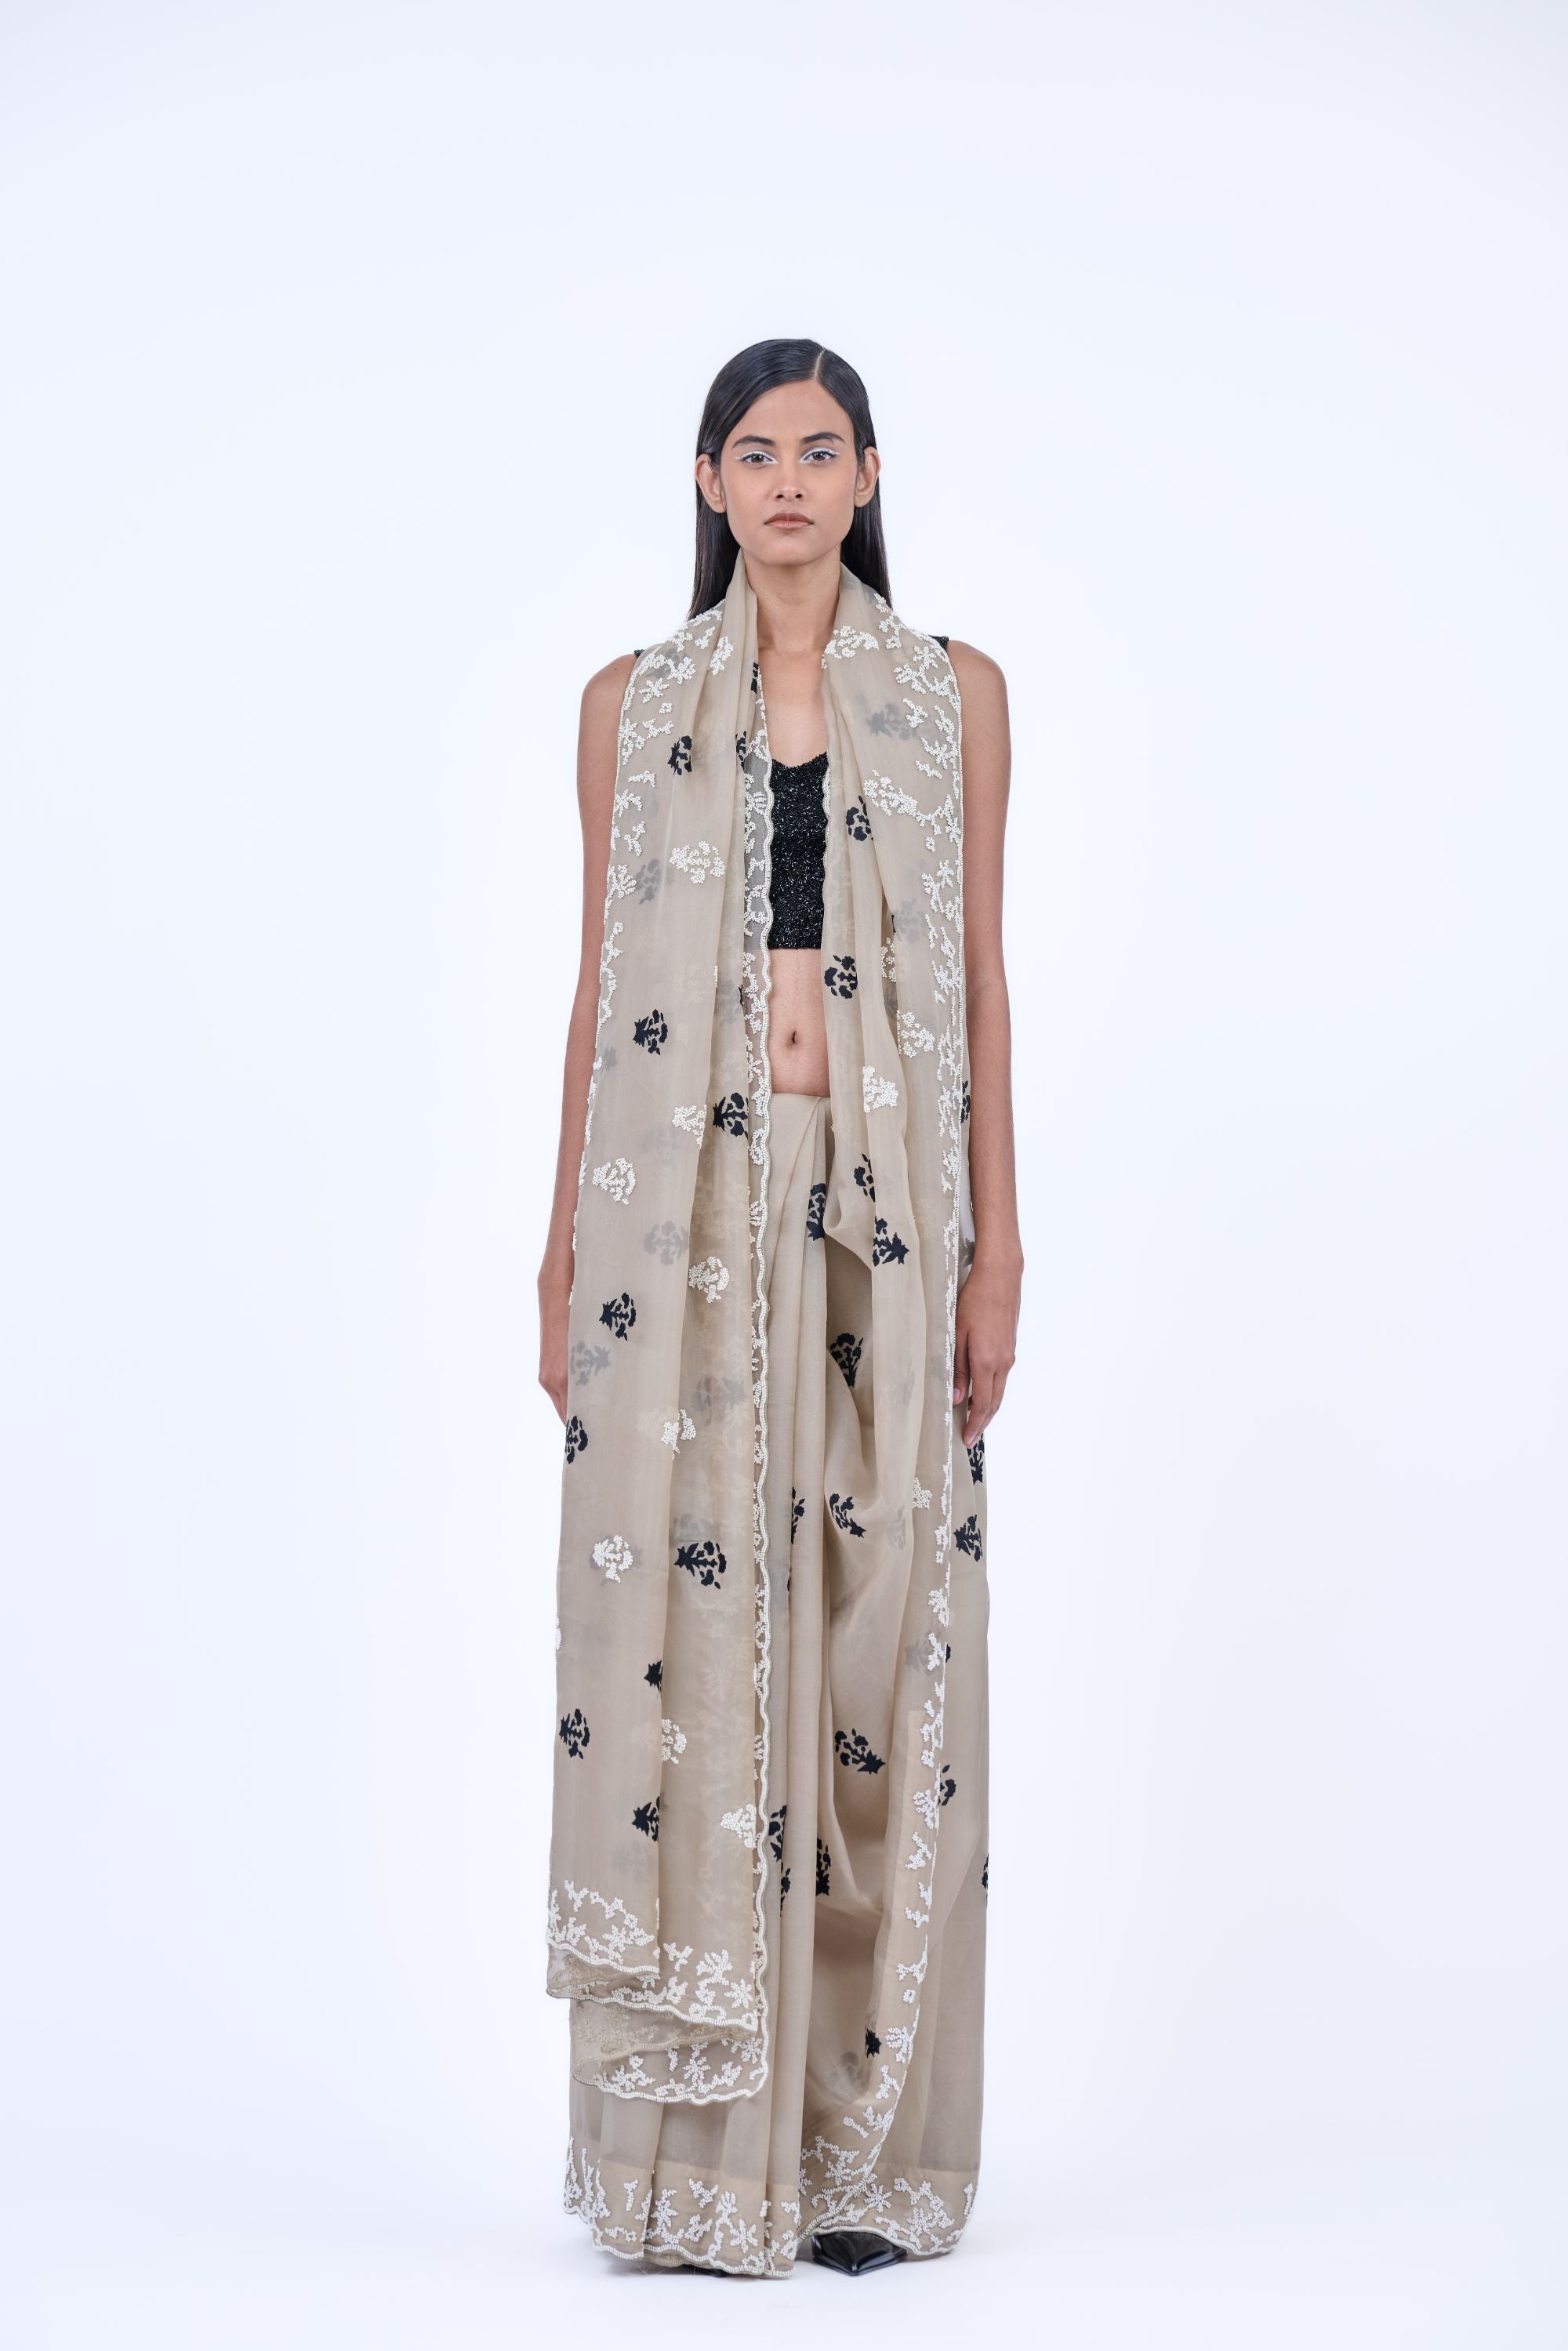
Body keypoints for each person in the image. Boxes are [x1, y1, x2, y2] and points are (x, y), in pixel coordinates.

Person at [538, 338, 1023, 2278]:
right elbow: (599, 996)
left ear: (870, 475)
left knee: (873, 1639)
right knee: (699, 1647)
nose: (792, 482)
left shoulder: (951, 697)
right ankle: (694, 2167)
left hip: (892, 1213)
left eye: (824, 450)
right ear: (710, 482)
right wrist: (559, 1253)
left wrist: (1002, 1251)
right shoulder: (632, 703)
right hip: (686, 1227)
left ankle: (860, 2149)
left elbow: (983, 980)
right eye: (758, 452)